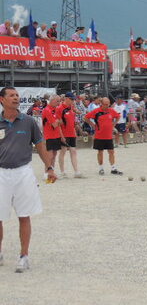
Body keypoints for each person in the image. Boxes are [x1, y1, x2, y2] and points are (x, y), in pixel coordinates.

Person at [0, 87, 57, 273]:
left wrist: (49, 167)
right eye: (11, 95)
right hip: (1, 173)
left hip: (23, 172)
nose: (16, 98)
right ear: (2, 100)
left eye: (17, 95)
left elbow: (40, 146)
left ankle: (24, 256)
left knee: (24, 215)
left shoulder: (29, 121)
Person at [84, 98, 123, 175]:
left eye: (108, 104)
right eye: (105, 104)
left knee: (111, 152)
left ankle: (113, 168)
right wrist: (92, 124)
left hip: (109, 136)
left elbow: (118, 116)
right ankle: (101, 168)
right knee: (100, 152)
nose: (107, 106)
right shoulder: (96, 111)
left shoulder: (111, 110)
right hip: (99, 135)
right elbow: (85, 117)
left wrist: (114, 124)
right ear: (101, 103)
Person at [56, 92, 84, 178]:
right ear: (66, 98)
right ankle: (62, 172)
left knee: (73, 151)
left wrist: (76, 115)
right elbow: (58, 124)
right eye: (72, 99)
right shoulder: (59, 108)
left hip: (72, 133)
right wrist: (61, 136)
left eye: (74, 99)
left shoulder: (71, 107)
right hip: (64, 134)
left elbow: (77, 114)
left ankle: (76, 171)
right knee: (63, 152)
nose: (73, 101)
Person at [42, 95, 62, 173]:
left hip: (56, 134)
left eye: (59, 101)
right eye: (57, 101)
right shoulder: (47, 110)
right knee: (49, 155)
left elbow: (61, 122)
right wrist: (57, 121)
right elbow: (55, 124)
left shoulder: (56, 109)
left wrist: (57, 121)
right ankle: (46, 172)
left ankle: (52, 172)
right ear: (52, 100)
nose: (58, 103)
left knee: (54, 154)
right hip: (49, 135)